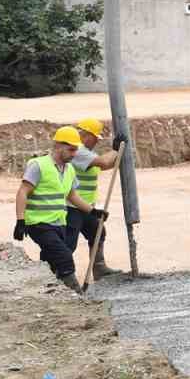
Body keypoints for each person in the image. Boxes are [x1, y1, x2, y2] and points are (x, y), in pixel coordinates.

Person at [14, 126, 102, 290]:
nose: (74, 154)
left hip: (59, 223)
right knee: (64, 257)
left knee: (51, 258)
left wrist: (92, 211)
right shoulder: (38, 165)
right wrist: (20, 221)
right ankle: (75, 292)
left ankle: (49, 289)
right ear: (58, 146)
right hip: (38, 223)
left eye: (76, 150)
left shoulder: (69, 169)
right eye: (71, 149)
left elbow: (72, 196)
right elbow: (23, 191)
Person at [65, 118, 127, 279]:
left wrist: (118, 153)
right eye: (95, 138)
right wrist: (115, 150)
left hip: (87, 206)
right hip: (72, 206)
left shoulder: (86, 152)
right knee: (69, 242)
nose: (96, 142)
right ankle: (62, 274)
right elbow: (104, 162)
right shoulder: (77, 151)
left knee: (98, 232)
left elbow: (106, 165)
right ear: (86, 135)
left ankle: (99, 268)